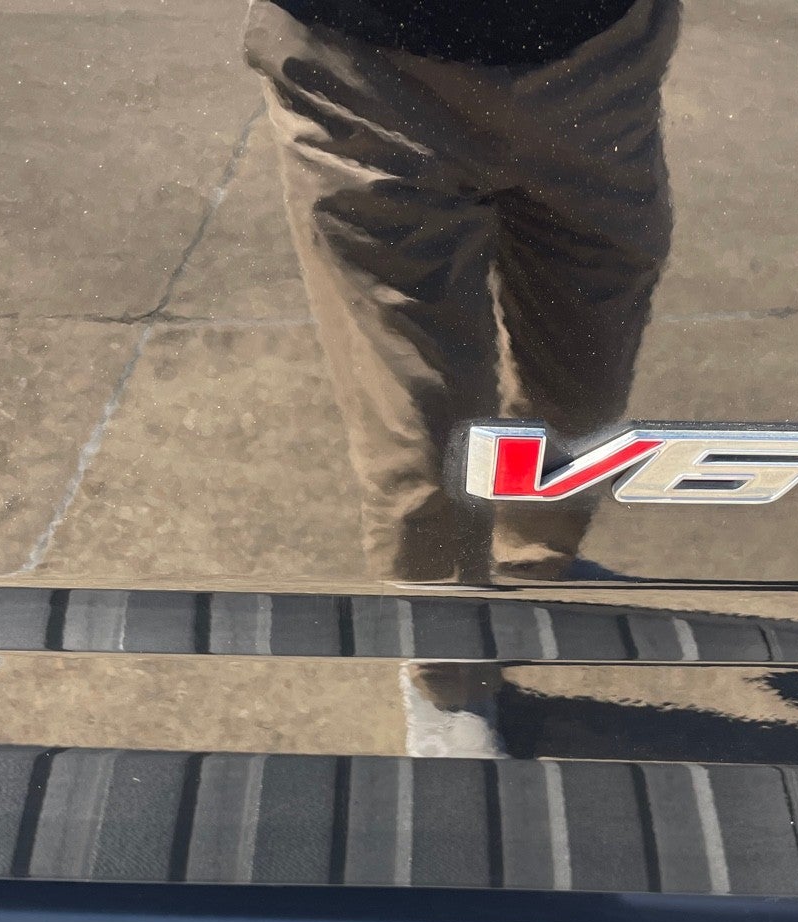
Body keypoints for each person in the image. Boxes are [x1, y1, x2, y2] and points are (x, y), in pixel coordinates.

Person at [245, 0, 680, 753]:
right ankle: (448, 672)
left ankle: (532, 563)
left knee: (585, 387)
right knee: (425, 436)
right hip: (363, 74)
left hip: (595, 58)